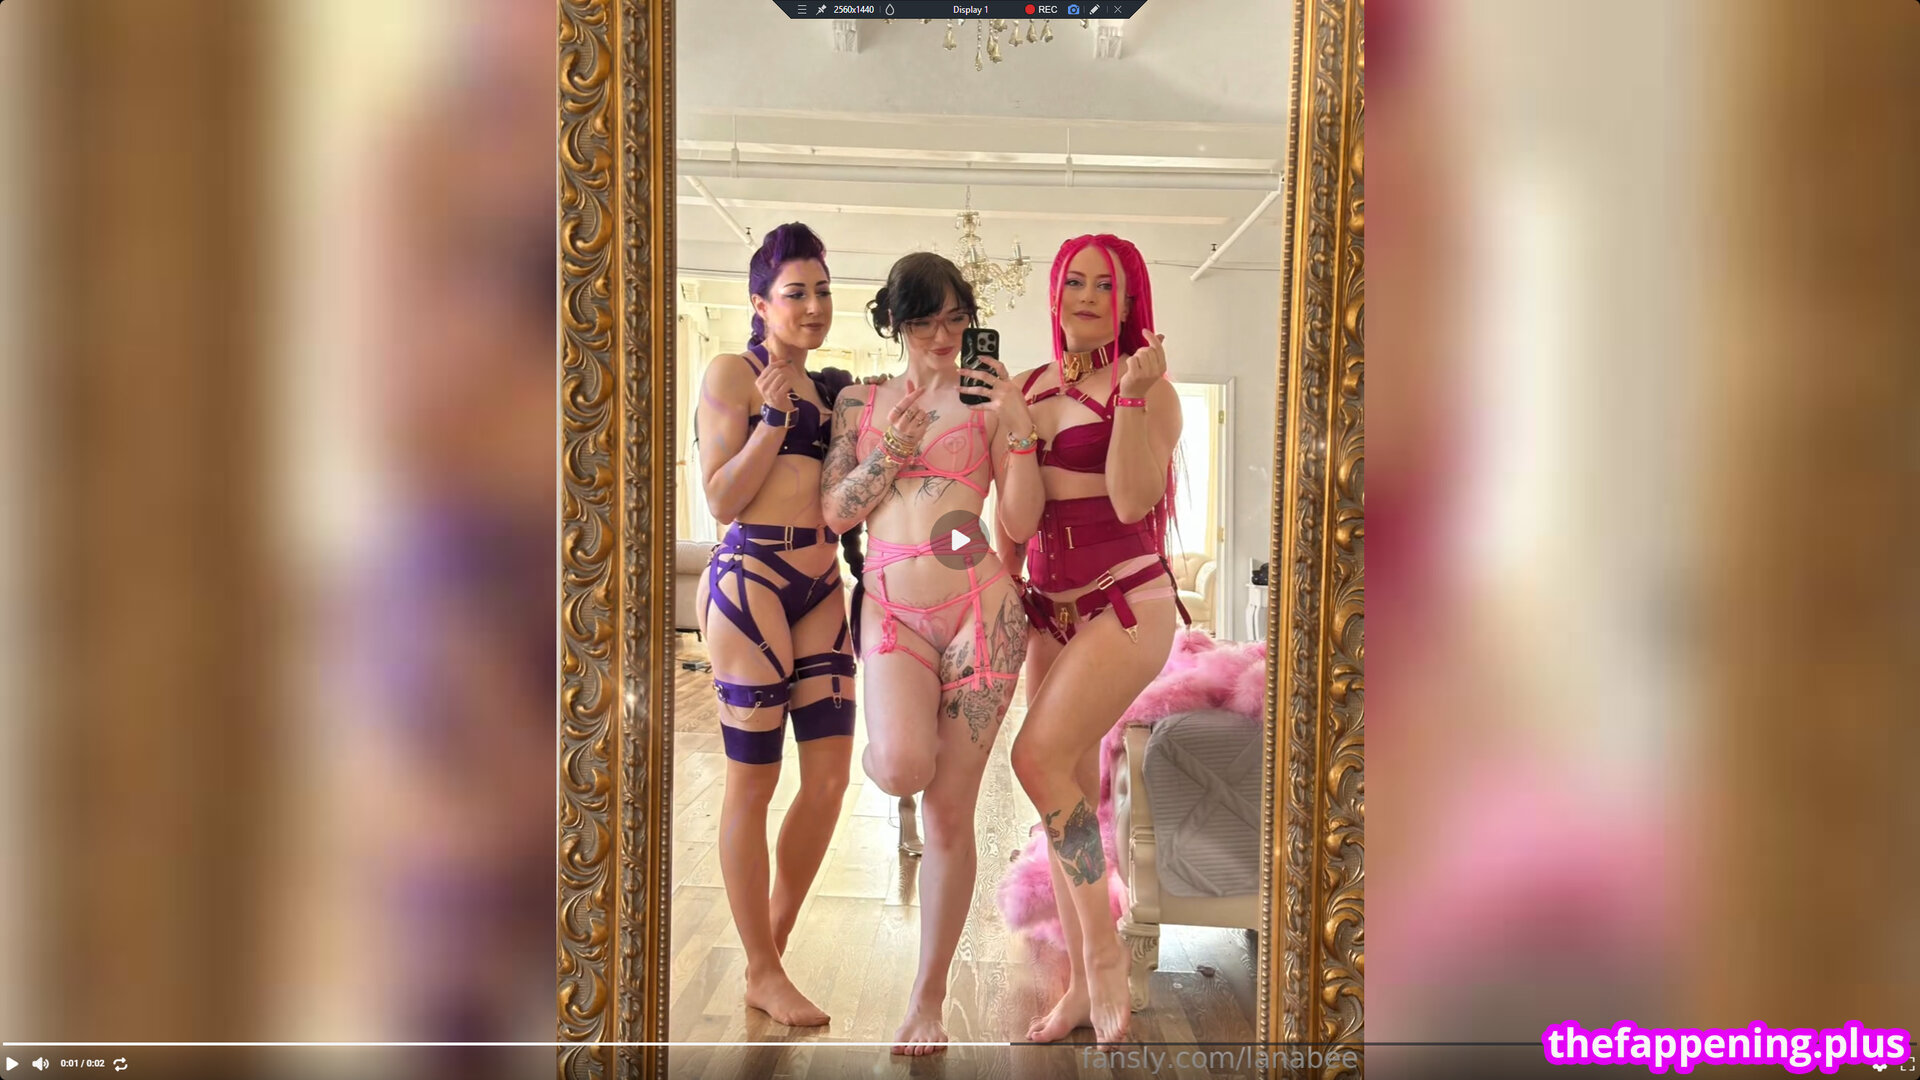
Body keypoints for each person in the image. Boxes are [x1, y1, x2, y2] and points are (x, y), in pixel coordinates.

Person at [819, 252, 1045, 1054]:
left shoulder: (986, 401)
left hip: (981, 612)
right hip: (893, 612)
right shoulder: (859, 401)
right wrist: (891, 449)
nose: (943, 336)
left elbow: (1020, 520)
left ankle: (928, 998)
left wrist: (1018, 425)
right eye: (924, 321)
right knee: (903, 767)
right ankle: (890, 754)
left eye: (956, 318)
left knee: (950, 813)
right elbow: (836, 512)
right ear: (895, 322)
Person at [1002, 234, 1186, 1045]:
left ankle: (1106, 957)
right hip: (1050, 611)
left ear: (1128, 300)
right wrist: (1014, 434)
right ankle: (1081, 983)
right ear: (1054, 292)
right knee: (1063, 797)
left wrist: (1134, 401)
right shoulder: (1028, 388)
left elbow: (1132, 499)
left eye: (1103, 286)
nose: (1084, 297)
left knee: (1035, 759)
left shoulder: (1151, 389)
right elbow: (1016, 520)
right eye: (1072, 281)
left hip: (1127, 602)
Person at [693, 222, 858, 1027]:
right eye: (797, 293)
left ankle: (773, 951)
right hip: (750, 578)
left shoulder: (835, 390)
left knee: (828, 781)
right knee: (753, 784)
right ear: (760, 303)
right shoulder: (732, 373)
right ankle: (762, 967)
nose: (814, 305)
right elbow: (721, 499)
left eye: (823, 290)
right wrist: (771, 421)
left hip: (822, 584)